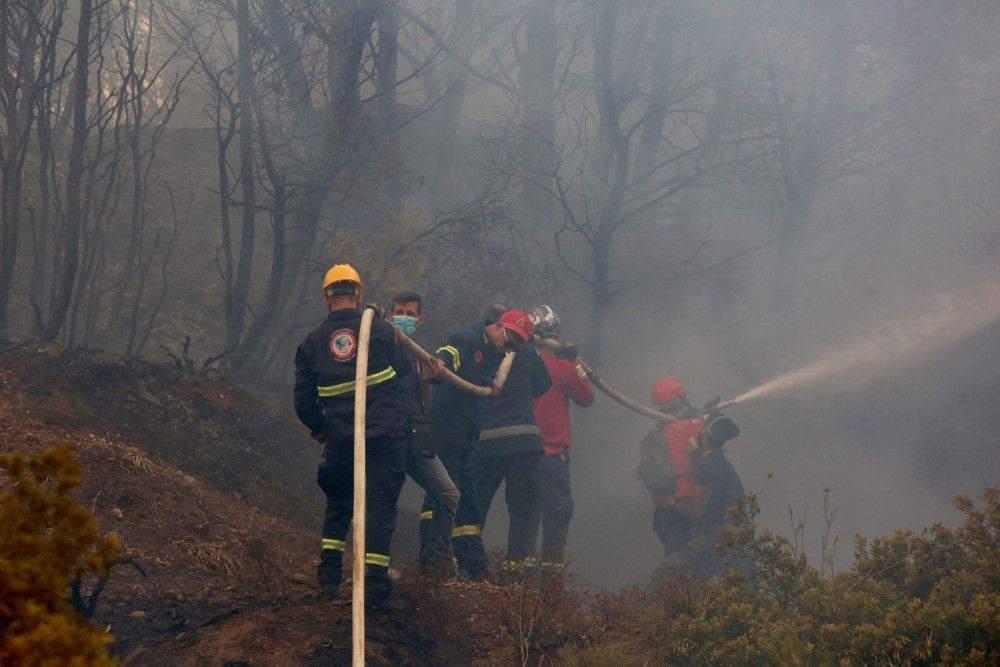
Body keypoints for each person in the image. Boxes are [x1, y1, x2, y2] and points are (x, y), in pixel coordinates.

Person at [293, 264, 412, 611]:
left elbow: (303, 402)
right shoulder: (380, 331)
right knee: (379, 509)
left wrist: (324, 430)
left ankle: (328, 579)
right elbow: (404, 369)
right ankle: (375, 589)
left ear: (325, 298)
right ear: (359, 294)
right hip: (385, 436)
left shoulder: (311, 343)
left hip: (342, 439)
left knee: (339, 505)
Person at [421, 305, 513, 580]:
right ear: (495, 326)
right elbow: (448, 353)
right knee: (443, 495)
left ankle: (472, 564)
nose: (510, 346)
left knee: (468, 500)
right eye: (508, 338)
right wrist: (439, 364)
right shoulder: (467, 338)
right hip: (446, 431)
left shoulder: (496, 352)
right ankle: (432, 560)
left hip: (467, 437)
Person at [389, 290, 462, 576]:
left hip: (415, 435)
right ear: (389, 312)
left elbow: (420, 404)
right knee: (382, 500)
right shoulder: (381, 346)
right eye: (399, 312)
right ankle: (374, 568)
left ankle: (436, 565)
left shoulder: (419, 357)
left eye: (410, 314)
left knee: (449, 493)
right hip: (387, 434)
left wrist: (427, 381)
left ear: (420, 319)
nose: (403, 318)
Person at [476, 309, 552, 572]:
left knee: (476, 505)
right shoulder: (527, 350)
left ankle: (468, 563)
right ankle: (514, 570)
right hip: (523, 444)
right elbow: (543, 384)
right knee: (522, 509)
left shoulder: (482, 350)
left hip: (488, 444)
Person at [526, 305, 594, 572]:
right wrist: (575, 362)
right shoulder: (563, 367)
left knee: (526, 514)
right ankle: (550, 585)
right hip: (553, 456)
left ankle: (518, 583)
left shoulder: (519, 363)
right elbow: (586, 397)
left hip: (525, 454)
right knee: (557, 513)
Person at [646, 376, 705, 580]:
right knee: (690, 568)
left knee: (675, 563)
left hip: (665, 514)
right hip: (687, 508)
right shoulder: (691, 426)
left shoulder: (660, 433)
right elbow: (710, 431)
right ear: (683, 400)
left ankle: (675, 605)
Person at [687, 414, 744, 579]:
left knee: (667, 572)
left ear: (704, 435)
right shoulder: (720, 462)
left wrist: (671, 503)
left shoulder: (706, 466)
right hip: (734, 536)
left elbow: (695, 511)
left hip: (717, 535)